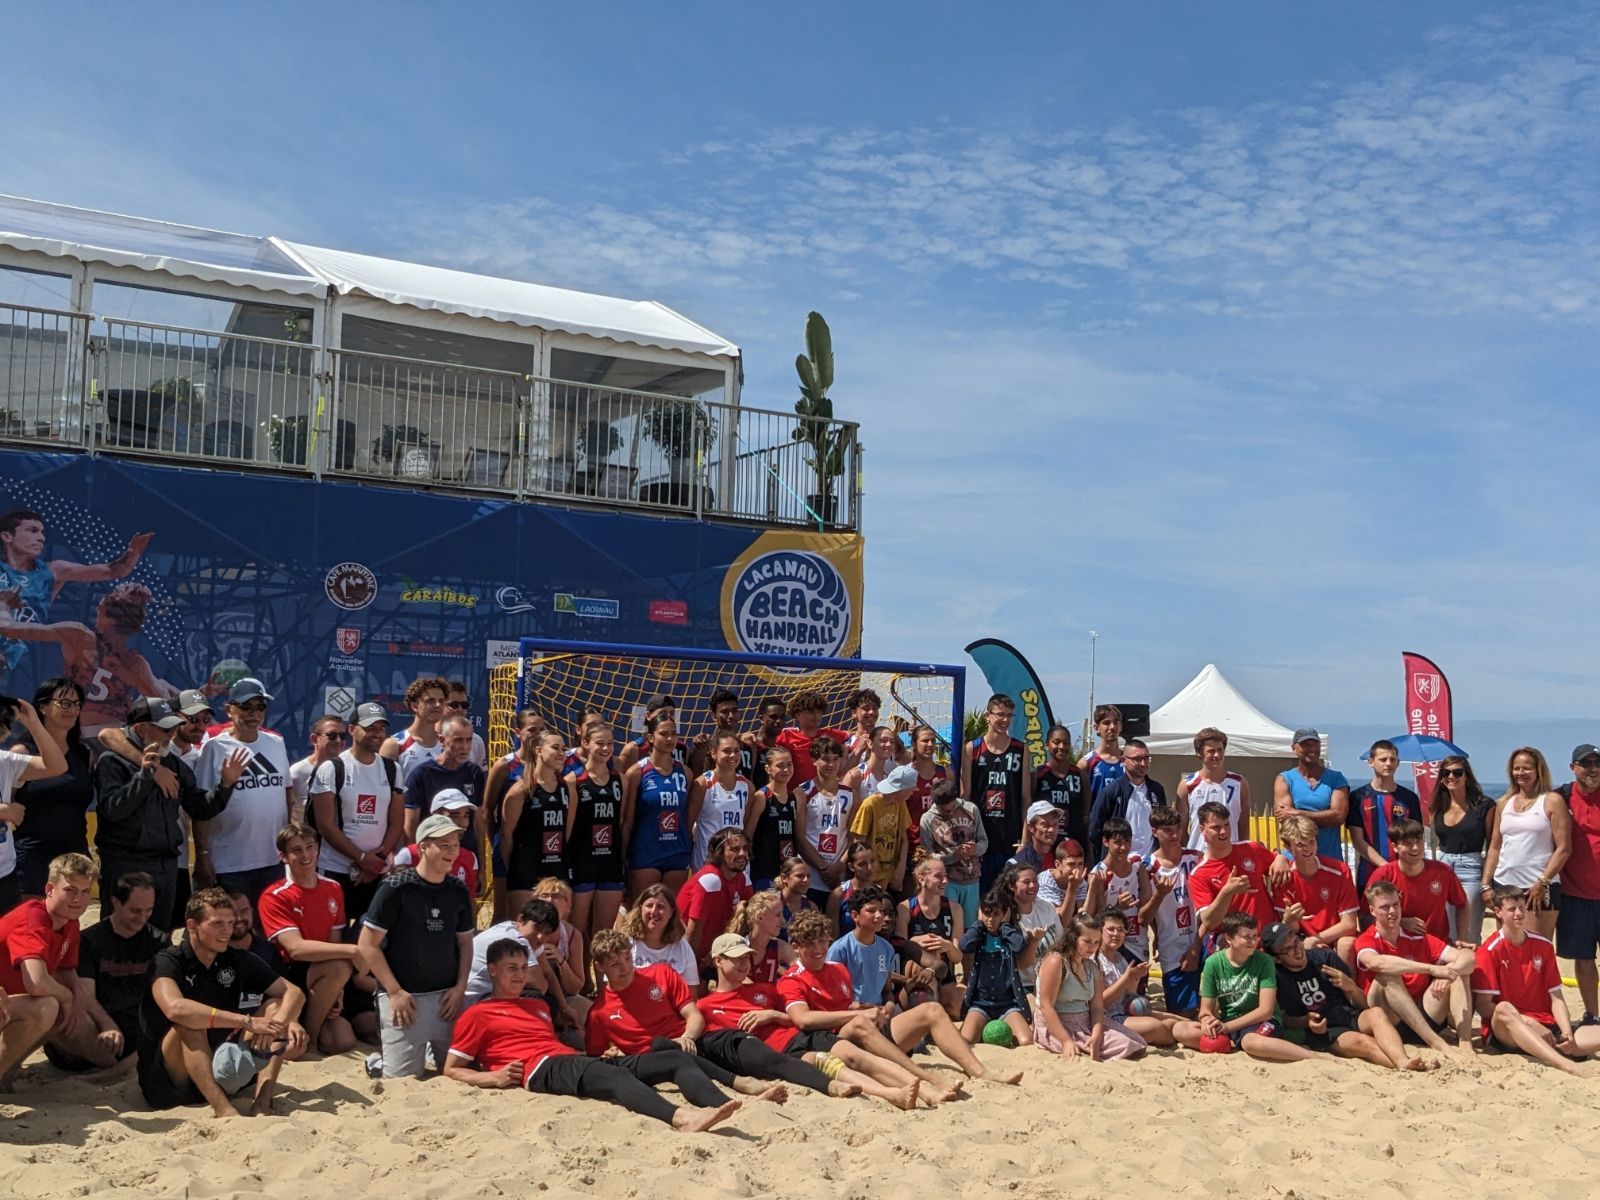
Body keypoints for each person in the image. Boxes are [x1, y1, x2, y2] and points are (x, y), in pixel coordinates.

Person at [442, 938, 740, 1132]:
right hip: (539, 1068)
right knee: (615, 1078)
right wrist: (492, 1077)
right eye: (511, 969)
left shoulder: (536, 1004)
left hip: (571, 1060)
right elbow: (451, 1069)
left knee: (672, 1058)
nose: (520, 975)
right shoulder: (478, 1013)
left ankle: (719, 1105)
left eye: (523, 967)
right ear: (492, 971)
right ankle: (682, 1119)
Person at [786, 908, 1020, 1092]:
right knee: (860, 1023)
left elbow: (846, 1004)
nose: (819, 949)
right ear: (796, 947)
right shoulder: (792, 978)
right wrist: (857, 1013)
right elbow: (803, 1020)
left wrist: (872, 1008)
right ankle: (924, 1076)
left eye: (822, 941)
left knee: (931, 1009)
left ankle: (978, 1070)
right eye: (810, 944)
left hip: (864, 1030)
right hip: (834, 1042)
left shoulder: (837, 969)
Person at [138, 886, 307, 1116]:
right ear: (192, 926)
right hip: (170, 1081)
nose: (227, 931)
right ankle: (224, 1111)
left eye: (229, 923)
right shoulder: (169, 961)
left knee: (275, 1008)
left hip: (222, 1065)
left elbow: (295, 992)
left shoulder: (236, 959)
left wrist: (275, 1025)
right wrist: (246, 1022)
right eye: (217, 924)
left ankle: (263, 1102)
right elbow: (175, 1008)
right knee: (190, 1020)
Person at [586, 929, 800, 1102]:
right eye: (615, 964)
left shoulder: (659, 973)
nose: (625, 968)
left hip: (689, 1041)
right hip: (655, 1059)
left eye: (627, 958)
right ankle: (736, 1089)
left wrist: (687, 1037)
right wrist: (611, 1050)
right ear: (600, 966)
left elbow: (694, 1015)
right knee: (667, 1049)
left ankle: (786, 1071)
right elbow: (597, 1055)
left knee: (730, 1038)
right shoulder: (599, 1012)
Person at [96, 697, 246, 932]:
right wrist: (146, 775)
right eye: (164, 728)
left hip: (165, 865)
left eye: (174, 727)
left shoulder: (174, 765)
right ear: (140, 728)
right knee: (120, 936)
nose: (171, 734)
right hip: (126, 864)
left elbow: (200, 808)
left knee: (160, 937)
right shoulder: (112, 762)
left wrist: (225, 785)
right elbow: (113, 810)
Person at [357, 813, 476, 1079]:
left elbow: (466, 943)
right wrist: (394, 991)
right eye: (443, 845)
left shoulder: (457, 889)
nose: (451, 851)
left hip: (447, 997)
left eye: (455, 845)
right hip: (406, 999)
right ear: (423, 846)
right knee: (403, 1077)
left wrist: (460, 988)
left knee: (461, 1070)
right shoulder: (395, 886)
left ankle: (429, 1045)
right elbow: (367, 945)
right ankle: (377, 1062)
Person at [0, 852, 119, 1081]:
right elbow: (36, 984)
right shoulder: (34, 918)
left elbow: (65, 972)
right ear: (49, 889)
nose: (78, 899)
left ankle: (115, 1065)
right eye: (70, 890)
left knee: (73, 1014)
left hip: (12, 1000)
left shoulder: (68, 920)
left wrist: (104, 1021)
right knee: (47, 1006)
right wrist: (67, 997)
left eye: (85, 892)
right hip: (7, 999)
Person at [1260, 921, 1431, 1071]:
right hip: (1325, 1031)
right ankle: (1407, 1066)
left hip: (1347, 1015)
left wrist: (1351, 988)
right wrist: (1305, 1021)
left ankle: (1403, 1062)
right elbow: (1283, 1019)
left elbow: (1363, 1005)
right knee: (1364, 1042)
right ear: (1276, 959)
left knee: (1376, 1013)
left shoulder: (1324, 958)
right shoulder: (1276, 977)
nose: (1297, 950)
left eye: (1297, 942)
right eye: (1288, 949)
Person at [0, 509, 151, 678]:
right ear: (7, 536)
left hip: (8, 653)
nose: (41, 538)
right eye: (33, 531)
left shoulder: (54, 571)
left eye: (42, 532)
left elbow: (110, 571)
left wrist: (130, 557)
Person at [1474, 886, 1600, 1076]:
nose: (1518, 913)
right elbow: (1483, 1006)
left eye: (1522, 908)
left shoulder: (1543, 945)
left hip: (1547, 1027)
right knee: (1503, 1008)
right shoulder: (1490, 949)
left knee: (1582, 1035)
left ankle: (1561, 1048)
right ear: (1498, 912)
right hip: (1510, 1029)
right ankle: (1566, 1065)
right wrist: (1527, 1022)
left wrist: (1566, 1032)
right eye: (1512, 909)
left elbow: (1556, 997)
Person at [256, 822, 358, 1054]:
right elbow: (296, 949)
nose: (306, 855)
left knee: (342, 1041)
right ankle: (306, 1036)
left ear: (318, 849)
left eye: (310, 847)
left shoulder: (333, 888)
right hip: (287, 976)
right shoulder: (274, 895)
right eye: (297, 850)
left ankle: (313, 1031)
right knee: (292, 1050)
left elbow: (335, 941)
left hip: (320, 972)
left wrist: (338, 991)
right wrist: (353, 951)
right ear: (283, 856)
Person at [51, 869, 165, 1072]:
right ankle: (116, 1067)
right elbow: (85, 994)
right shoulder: (89, 941)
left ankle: (118, 1069)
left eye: (149, 911)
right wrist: (108, 1024)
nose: (142, 918)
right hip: (98, 1026)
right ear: (116, 903)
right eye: (135, 911)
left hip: (137, 1031)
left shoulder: (158, 941)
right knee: (60, 1011)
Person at [1353, 879, 1476, 1057]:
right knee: (1387, 976)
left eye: (1396, 905)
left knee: (1459, 973)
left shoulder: (1418, 938)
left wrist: (1449, 972)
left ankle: (1465, 1043)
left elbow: (1468, 957)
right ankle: (1438, 1043)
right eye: (1385, 907)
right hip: (1390, 1020)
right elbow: (1375, 962)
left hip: (1424, 1013)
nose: (1392, 911)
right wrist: (1432, 970)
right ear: (1372, 910)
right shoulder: (1367, 938)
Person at [195, 677, 294, 898]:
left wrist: (289, 842)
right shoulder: (213, 747)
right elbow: (200, 808)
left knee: (264, 930)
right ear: (229, 710)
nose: (254, 714)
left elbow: (287, 793)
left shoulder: (276, 743)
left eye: (260, 707)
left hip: (272, 860)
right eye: (246, 707)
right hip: (228, 863)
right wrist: (202, 855)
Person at [308, 700, 404, 918]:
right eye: (370, 727)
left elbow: (396, 821)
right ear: (352, 729)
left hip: (376, 871)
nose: (377, 733)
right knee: (334, 936)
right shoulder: (332, 768)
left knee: (372, 937)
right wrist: (362, 858)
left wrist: (376, 861)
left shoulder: (392, 769)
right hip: (336, 870)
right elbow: (325, 825)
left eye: (381, 728)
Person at [1173, 912, 1305, 1062]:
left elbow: (1266, 1011)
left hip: (1259, 1022)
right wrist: (1207, 1020)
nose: (1253, 941)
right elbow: (1205, 1009)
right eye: (1246, 937)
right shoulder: (1213, 963)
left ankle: (1313, 1058)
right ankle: (1232, 1043)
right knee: (1181, 1029)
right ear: (1228, 938)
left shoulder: (1264, 961)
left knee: (1252, 1042)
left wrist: (1227, 1027)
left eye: (1255, 936)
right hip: (1229, 1022)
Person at [9, 678, 92, 900]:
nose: (73, 710)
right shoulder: (22, 753)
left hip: (74, 857)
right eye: (65, 703)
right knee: (31, 925)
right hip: (33, 858)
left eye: (77, 704)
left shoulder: (84, 754)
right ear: (42, 707)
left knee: (67, 929)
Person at [1033, 912, 1147, 1060]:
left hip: (1085, 1020)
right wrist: (1066, 1041)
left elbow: (1097, 1007)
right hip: (1059, 1024)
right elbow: (1046, 1005)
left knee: (1138, 1044)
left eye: (1096, 942)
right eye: (1087, 941)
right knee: (1126, 1047)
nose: (1092, 947)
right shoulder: (1056, 961)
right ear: (1074, 938)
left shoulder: (1091, 966)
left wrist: (1096, 1035)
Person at [1482, 746, 1570, 940]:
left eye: (1527, 768)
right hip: (1504, 885)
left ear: (1539, 770)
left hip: (1538, 888)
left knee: (1537, 951)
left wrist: (1542, 882)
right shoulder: (1504, 803)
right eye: (1516, 768)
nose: (1520, 773)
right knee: (1508, 950)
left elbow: (1564, 848)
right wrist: (1486, 884)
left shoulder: (1552, 801)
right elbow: (1495, 847)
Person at [0, 693, 68, 911]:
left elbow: (57, 766)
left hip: (4, 875)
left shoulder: (5, 761)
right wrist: (3, 811)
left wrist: (34, 723)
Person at [962, 693, 1030, 890]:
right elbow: (965, 796)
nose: (1005, 720)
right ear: (988, 716)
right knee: (980, 897)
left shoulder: (1021, 749)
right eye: (1000, 714)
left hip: (1010, 836)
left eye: (1009, 715)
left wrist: (1024, 839)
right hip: (980, 836)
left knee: (1007, 895)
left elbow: (1026, 797)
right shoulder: (972, 749)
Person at [484, 709, 546, 921]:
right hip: (508, 846)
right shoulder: (505, 765)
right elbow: (487, 808)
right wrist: (497, 842)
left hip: (538, 848)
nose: (538, 734)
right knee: (505, 914)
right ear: (517, 732)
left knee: (536, 914)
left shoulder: (548, 765)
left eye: (542, 729)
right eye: (532, 730)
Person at [1270, 812, 1360, 955]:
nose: (1307, 849)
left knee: (1346, 943)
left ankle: (1347, 978)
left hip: (1332, 938)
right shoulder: (1283, 877)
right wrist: (1289, 921)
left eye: (1311, 842)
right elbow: (1290, 930)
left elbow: (1349, 924)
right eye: (1300, 844)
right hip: (1301, 941)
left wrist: (1316, 939)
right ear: (1288, 847)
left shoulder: (1339, 871)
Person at [501, 729, 569, 916]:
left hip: (556, 869)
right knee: (524, 932)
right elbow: (506, 837)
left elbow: (567, 831)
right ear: (538, 750)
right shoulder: (521, 790)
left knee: (555, 932)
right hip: (525, 871)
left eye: (564, 748)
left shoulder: (566, 787)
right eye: (555, 748)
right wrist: (517, 867)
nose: (561, 753)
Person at [1555, 744, 1600, 1026]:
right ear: (1573, 768)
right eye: (1586, 763)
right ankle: (1593, 1016)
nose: (1593, 768)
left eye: (1597, 762)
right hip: (1575, 894)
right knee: (1583, 959)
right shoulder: (1561, 797)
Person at [1188, 800, 1278, 938]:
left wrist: (1281, 859)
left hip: (1269, 936)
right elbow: (1209, 922)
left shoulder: (1251, 848)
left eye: (1226, 825)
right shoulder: (1199, 874)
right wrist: (1227, 892)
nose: (1223, 832)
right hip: (1236, 945)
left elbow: (1277, 864)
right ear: (1202, 830)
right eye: (1216, 827)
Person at [625, 714, 692, 899]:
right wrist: (623, 858)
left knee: (672, 915)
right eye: (664, 733)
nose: (670, 738)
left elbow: (687, 817)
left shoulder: (685, 773)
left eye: (674, 733)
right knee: (642, 913)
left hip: (677, 852)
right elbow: (627, 821)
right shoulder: (637, 772)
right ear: (651, 737)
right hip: (646, 853)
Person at [1143, 805, 1201, 1017]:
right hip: (1173, 946)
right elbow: (1145, 914)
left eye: (1177, 828)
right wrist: (1157, 933)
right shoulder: (1147, 866)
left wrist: (1197, 946)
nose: (1175, 834)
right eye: (1168, 830)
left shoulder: (1197, 858)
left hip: (1202, 940)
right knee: (1183, 1015)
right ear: (1154, 831)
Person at [1368, 819, 1468, 943]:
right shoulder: (1382, 875)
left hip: (1437, 946)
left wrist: (1463, 939)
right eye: (1407, 843)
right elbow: (1368, 914)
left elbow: (1462, 904)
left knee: (1468, 958)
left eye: (1419, 841)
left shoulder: (1442, 871)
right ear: (1394, 847)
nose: (1415, 848)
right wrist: (1400, 922)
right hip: (1397, 946)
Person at [1433, 754, 1496, 945]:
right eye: (1446, 773)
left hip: (1470, 868)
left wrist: (1487, 881)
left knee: (1468, 933)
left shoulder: (1484, 805)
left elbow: (1493, 845)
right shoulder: (1438, 805)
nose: (1451, 777)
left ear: (1466, 776)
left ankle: (1471, 973)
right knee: (1444, 931)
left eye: (1457, 772)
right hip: (1443, 867)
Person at [958, 889, 1033, 1047]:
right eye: (987, 914)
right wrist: (979, 922)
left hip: (1008, 1004)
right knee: (965, 1041)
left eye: (996, 914)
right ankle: (981, 1028)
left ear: (1005, 914)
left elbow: (1019, 946)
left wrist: (1005, 925)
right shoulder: (980, 934)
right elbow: (964, 945)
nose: (990, 919)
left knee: (1026, 1041)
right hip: (981, 1003)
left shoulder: (1010, 934)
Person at [1347, 740, 1422, 893]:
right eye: (1383, 759)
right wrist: (1385, 866)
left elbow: (1417, 838)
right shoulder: (1358, 797)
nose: (1388, 764)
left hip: (1405, 870)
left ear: (1398, 763)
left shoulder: (1409, 798)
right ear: (1371, 762)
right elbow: (1358, 840)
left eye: (1392, 759)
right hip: (1369, 872)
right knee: (1369, 916)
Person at [895, 855, 964, 1016]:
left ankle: (937, 1007)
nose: (945, 881)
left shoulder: (954, 909)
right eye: (938, 877)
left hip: (944, 970)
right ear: (921, 879)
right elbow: (899, 949)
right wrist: (915, 940)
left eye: (945, 876)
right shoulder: (905, 908)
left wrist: (947, 946)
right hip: (916, 971)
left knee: (957, 1001)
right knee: (926, 950)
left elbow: (958, 957)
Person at [402, 713, 487, 843]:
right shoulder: (422, 775)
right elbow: (410, 826)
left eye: (469, 740)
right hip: (432, 853)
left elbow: (479, 823)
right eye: (458, 740)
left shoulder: (475, 773)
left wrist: (481, 861)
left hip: (466, 857)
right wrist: (416, 859)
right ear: (442, 741)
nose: (465, 747)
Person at [795, 734, 858, 907]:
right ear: (814, 760)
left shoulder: (851, 794)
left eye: (835, 759)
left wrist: (839, 866)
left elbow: (853, 837)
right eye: (825, 759)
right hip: (812, 876)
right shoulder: (802, 792)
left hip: (839, 875)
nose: (831, 764)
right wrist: (823, 868)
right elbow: (800, 837)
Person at [678, 827, 754, 969]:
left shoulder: (743, 880)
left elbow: (749, 924)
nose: (743, 854)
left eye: (745, 848)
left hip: (715, 956)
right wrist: (693, 971)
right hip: (687, 955)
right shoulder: (710, 881)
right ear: (720, 853)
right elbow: (693, 933)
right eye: (735, 849)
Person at [1274, 728, 1350, 860]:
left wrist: (1299, 813)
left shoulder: (1336, 778)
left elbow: (1339, 816)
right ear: (1294, 748)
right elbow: (1286, 821)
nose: (1312, 749)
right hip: (1295, 860)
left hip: (1330, 859)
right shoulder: (1284, 779)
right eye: (1305, 744)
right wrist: (1325, 816)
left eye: (1315, 744)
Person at [1085, 817, 1153, 964]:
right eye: (1117, 842)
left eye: (1127, 841)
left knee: (1139, 987)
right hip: (1110, 946)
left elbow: (1147, 910)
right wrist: (1117, 907)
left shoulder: (1138, 866)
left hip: (1137, 946)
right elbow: (1094, 919)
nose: (1123, 847)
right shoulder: (1098, 874)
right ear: (1106, 842)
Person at [919, 779, 985, 927]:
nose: (952, 812)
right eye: (946, 811)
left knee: (970, 928)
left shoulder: (971, 809)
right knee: (949, 925)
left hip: (972, 879)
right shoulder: (928, 819)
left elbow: (984, 842)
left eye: (953, 807)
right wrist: (952, 857)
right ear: (937, 805)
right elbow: (926, 857)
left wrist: (975, 849)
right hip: (947, 882)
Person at [1087, 739, 1164, 863]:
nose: (1143, 763)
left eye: (1146, 758)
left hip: (1150, 862)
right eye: (1137, 759)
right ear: (1123, 761)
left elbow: (1162, 826)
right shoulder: (1111, 792)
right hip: (1120, 864)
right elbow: (1095, 830)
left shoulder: (1156, 790)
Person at [1174, 727, 1249, 851]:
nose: (1217, 755)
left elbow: (1244, 827)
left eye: (1220, 750)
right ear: (1199, 753)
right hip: (1199, 856)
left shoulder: (1239, 783)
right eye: (1211, 751)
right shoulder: (1187, 784)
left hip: (1230, 856)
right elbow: (1181, 828)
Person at [687, 732, 751, 871]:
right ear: (714, 753)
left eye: (736, 751)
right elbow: (688, 825)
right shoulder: (703, 784)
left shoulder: (747, 786)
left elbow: (744, 825)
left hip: (737, 865)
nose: (733, 755)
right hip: (708, 863)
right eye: (727, 751)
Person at [850, 762, 915, 892]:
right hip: (871, 874)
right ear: (901, 789)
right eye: (911, 789)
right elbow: (859, 842)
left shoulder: (900, 804)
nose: (913, 793)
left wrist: (901, 868)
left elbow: (904, 838)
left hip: (891, 873)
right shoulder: (870, 805)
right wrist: (866, 873)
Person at [623, 882, 702, 986]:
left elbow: (691, 992)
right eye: (649, 906)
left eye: (660, 907)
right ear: (641, 908)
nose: (654, 911)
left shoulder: (682, 947)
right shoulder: (626, 943)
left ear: (671, 912)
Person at [744, 745, 799, 891]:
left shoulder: (793, 797)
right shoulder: (762, 796)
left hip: (786, 870)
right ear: (768, 769)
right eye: (780, 766)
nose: (786, 770)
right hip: (764, 871)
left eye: (789, 764)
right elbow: (748, 835)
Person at [1032, 724, 1087, 851]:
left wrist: (1087, 849)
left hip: (1073, 844)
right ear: (1047, 745)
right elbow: (1030, 810)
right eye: (1056, 742)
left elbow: (1085, 815)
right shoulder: (1038, 774)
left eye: (1066, 743)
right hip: (1045, 844)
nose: (1061, 747)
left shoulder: (1079, 774)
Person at [775, 690, 846, 789]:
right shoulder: (786, 737)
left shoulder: (831, 735)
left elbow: (854, 736)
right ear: (797, 714)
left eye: (819, 712)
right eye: (811, 712)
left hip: (822, 797)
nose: (816, 716)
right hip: (795, 795)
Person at [381, 676, 448, 780]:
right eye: (430, 701)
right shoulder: (394, 745)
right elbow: (383, 788)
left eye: (441, 701)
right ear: (414, 706)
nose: (438, 705)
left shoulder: (447, 744)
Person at [726, 890, 794, 985]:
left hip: (768, 998)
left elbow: (802, 970)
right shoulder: (737, 947)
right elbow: (736, 980)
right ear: (760, 917)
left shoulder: (779, 947)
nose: (783, 920)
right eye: (778, 915)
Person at [288, 714, 346, 822]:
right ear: (314, 739)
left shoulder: (350, 770)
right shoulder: (296, 773)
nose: (338, 741)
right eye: (332, 735)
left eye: (342, 736)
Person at [826, 841, 877, 937]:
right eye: (862, 864)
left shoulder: (880, 893)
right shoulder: (839, 895)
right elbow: (832, 937)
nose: (869, 868)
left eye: (872, 861)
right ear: (851, 867)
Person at [1079, 704, 1125, 807]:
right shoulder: (1086, 763)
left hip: (1124, 822)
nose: (1112, 727)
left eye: (1116, 722)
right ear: (1096, 727)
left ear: (1121, 726)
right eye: (1106, 723)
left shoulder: (1129, 760)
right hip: (1098, 821)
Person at [740, 696, 787, 793]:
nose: (779, 721)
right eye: (773, 717)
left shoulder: (781, 751)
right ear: (761, 719)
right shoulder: (750, 746)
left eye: (782, 717)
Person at [443, 681, 488, 769]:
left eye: (464, 705)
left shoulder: (477, 741)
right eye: (454, 705)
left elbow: (481, 775)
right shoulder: (429, 740)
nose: (460, 709)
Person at [1009, 800, 1061, 873]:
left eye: (1055, 824)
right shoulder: (1017, 863)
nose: (1051, 829)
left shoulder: (1066, 856)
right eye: (1045, 825)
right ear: (1031, 828)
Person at [840, 688, 882, 765]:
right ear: (853, 713)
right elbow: (841, 776)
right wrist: (859, 749)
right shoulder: (846, 744)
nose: (872, 712)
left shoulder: (888, 741)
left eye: (875, 708)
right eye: (866, 708)